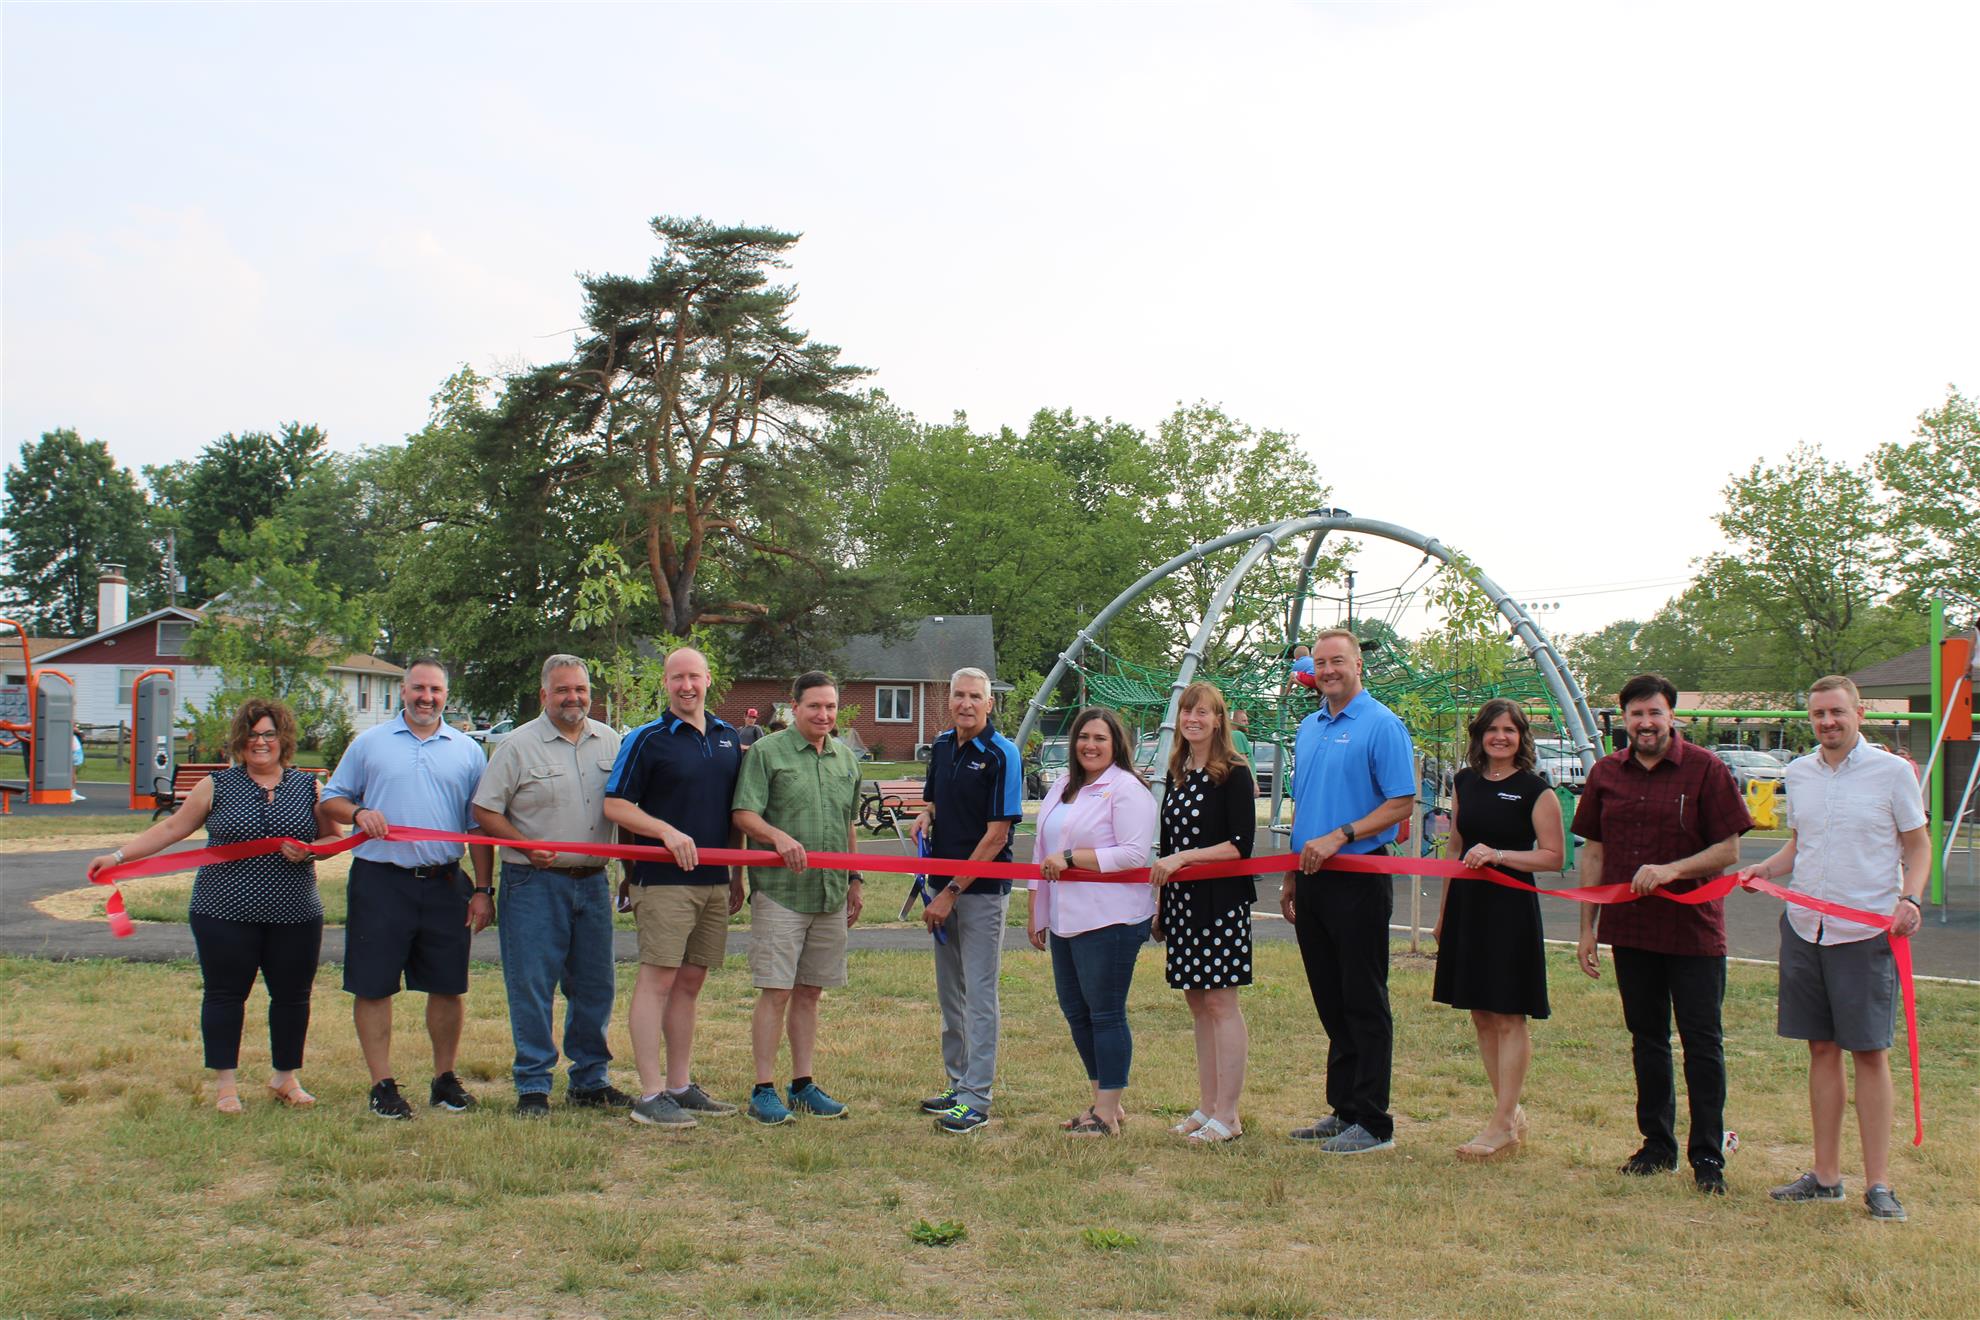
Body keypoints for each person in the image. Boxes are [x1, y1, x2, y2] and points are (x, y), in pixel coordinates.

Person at [1737, 676, 1929, 1221]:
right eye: (1818, 715)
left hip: (1865, 934)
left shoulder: (1892, 774)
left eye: (1837, 713)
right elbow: (1801, 846)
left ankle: (1879, 1184)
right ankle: (1825, 1177)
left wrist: (1909, 899)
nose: (1828, 723)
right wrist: (1765, 869)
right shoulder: (1798, 773)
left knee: (1869, 1053)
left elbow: (1917, 846)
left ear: (1858, 713)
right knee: (1820, 1049)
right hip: (1805, 927)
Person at [88, 699, 332, 1113]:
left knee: (292, 996)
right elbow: (171, 828)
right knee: (224, 995)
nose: (261, 742)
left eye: (269, 734)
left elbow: (332, 839)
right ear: (241, 740)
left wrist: (311, 851)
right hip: (223, 910)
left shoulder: (309, 786)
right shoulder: (218, 786)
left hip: (295, 912)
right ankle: (226, 1086)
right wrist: (117, 857)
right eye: (253, 734)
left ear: (283, 738)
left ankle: (285, 1078)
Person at [1574, 673, 1751, 1193]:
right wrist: (1588, 928)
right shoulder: (1607, 773)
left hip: (1693, 933)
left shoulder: (1706, 770)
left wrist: (1673, 869)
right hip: (1631, 932)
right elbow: (1596, 850)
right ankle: (1657, 1145)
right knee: (1647, 1040)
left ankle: (1708, 1157)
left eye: (1654, 713)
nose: (1645, 723)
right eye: (1636, 714)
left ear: (1671, 715)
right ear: (1623, 719)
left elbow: (1729, 850)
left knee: (1702, 1043)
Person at [321, 657, 494, 1120]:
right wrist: (357, 813)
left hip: (443, 883)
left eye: (435, 690)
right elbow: (332, 798)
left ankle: (444, 1080)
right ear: (403, 691)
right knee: (374, 986)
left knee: (447, 985)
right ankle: (382, 1084)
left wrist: (483, 889)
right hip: (381, 882)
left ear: (446, 695)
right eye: (418, 688)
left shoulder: (467, 751)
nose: (427, 698)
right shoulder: (370, 744)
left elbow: (478, 827)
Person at [471, 655, 627, 1117]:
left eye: (580, 689)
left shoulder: (611, 742)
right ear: (544, 695)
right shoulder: (517, 747)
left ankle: (590, 1079)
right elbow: (485, 811)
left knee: (595, 986)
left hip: (593, 882)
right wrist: (524, 844)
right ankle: (533, 1086)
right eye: (562, 690)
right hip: (532, 883)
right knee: (532, 986)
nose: (573, 698)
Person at [1281, 628, 1417, 1154]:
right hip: (1313, 880)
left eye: (1338, 660)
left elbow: (1401, 802)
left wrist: (1344, 835)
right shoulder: (1309, 728)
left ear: (1358, 664)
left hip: (1359, 876)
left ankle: (1374, 1122)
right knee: (1331, 999)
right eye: (1321, 662)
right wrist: (1293, 872)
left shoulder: (1381, 725)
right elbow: (1305, 806)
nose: (1329, 669)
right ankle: (1343, 1110)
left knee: (1364, 999)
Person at [603, 646, 746, 1128]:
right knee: (658, 979)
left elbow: (735, 813)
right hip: (661, 880)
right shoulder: (646, 739)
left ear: (709, 680)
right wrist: (663, 830)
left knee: (690, 982)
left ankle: (680, 1087)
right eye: (677, 678)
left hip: (713, 880)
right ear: (665, 683)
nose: (687, 686)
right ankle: (649, 1093)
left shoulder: (729, 737)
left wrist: (737, 875)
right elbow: (615, 806)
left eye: (695, 677)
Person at [1432, 698, 1565, 1160]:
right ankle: (1508, 1113)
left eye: (1510, 730)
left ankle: (1503, 1123)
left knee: (1508, 1014)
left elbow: (1553, 857)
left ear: (1521, 736)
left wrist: (1500, 855)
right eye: (1492, 729)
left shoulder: (1536, 790)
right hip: (1469, 908)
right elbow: (1455, 847)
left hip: (1510, 910)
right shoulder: (1464, 783)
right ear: (1480, 736)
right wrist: (1444, 915)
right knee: (1481, 1013)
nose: (1500, 737)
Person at [731, 671, 864, 1124]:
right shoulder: (768, 753)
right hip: (781, 894)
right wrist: (776, 838)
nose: (824, 715)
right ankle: (763, 1089)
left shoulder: (846, 758)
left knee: (810, 991)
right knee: (777, 989)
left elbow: (849, 824)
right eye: (814, 706)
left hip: (829, 891)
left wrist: (855, 879)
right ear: (794, 707)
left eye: (830, 707)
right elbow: (744, 813)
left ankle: (803, 1084)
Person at [1028, 707, 1158, 1137]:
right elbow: (1039, 853)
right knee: (1076, 1012)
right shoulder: (1064, 785)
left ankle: (1107, 1112)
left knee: (1105, 1013)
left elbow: (1134, 855)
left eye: (1100, 738)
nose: (1090, 745)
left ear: (1116, 743)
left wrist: (1071, 859)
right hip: (1065, 919)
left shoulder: (1127, 789)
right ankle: (1104, 1103)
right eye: (1084, 737)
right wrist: (1037, 910)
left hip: (1111, 919)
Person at [911, 667, 1023, 1134]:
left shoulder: (1002, 754)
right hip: (941, 890)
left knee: (979, 996)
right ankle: (958, 1085)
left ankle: (977, 1100)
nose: (966, 703)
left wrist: (952, 892)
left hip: (978, 895)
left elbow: (998, 835)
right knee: (949, 994)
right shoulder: (941, 744)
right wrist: (925, 811)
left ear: (989, 703)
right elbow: (937, 799)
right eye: (959, 695)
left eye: (975, 696)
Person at [1150, 682, 1257, 1144]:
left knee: (1220, 1002)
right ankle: (1208, 1105)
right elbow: (1169, 844)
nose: (1193, 718)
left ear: (1219, 720)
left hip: (1220, 904)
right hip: (1181, 904)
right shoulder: (1179, 771)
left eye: (1203, 712)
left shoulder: (1233, 771)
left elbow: (1240, 845)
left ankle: (1229, 1115)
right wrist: (1161, 907)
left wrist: (1184, 860)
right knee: (1197, 1003)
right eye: (1187, 710)